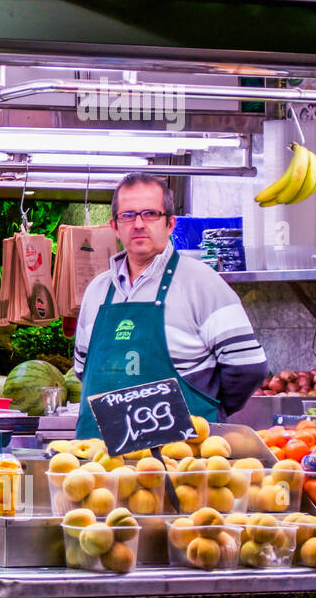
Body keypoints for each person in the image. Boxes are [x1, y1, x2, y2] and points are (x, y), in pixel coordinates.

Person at [74, 173, 267, 439]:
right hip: (103, 466)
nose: (138, 224)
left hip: (180, 464)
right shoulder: (97, 290)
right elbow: (83, 369)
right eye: (128, 216)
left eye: (150, 214)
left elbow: (248, 366)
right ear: (115, 226)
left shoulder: (202, 282)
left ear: (170, 224)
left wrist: (206, 408)